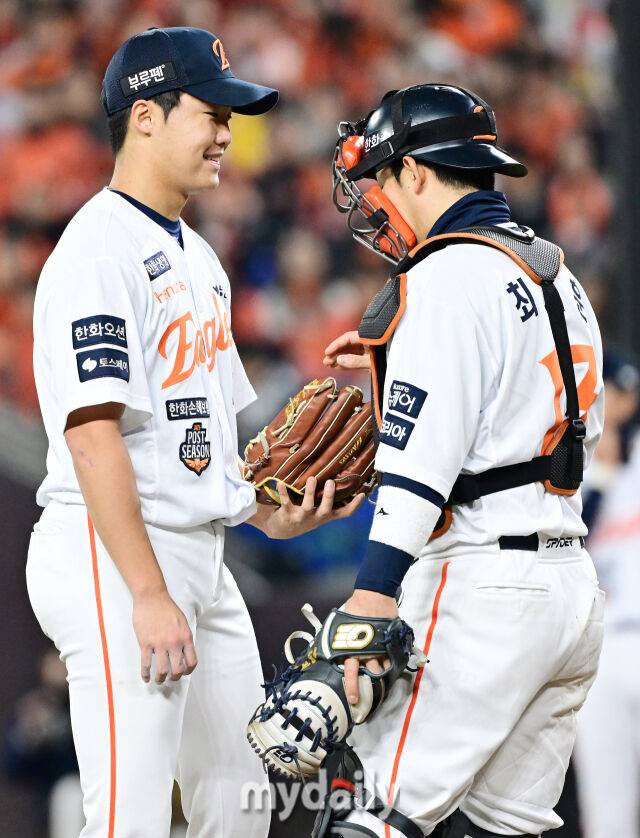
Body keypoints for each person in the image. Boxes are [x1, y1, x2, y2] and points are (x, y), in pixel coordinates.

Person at [26, 26, 362, 838]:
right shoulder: (97, 250)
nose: (226, 133)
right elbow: (93, 434)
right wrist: (146, 592)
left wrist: (262, 511)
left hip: (200, 556)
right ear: (145, 117)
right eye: (210, 113)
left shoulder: (200, 259)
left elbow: (195, 442)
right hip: (114, 555)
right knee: (130, 817)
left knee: (240, 806)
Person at [320, 84, 606, 837]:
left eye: (382, 179)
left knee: (373, 815)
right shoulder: (557, 274)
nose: (378, 201)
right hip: (569, 586)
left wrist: (373, 596)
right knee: (504, 827)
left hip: (484, 585)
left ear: (417, 172)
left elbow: (417, 471)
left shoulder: (442, 279)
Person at [572, 352, 640, 838]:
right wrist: (601, 475)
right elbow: (572, 537)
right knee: (608, 816)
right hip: (601, 649)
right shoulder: (569, 470)